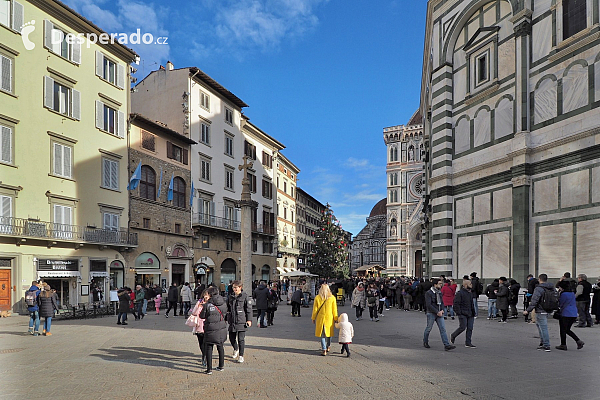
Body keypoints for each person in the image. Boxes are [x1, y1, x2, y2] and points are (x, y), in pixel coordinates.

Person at [199, 286, 227, 374]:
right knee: (220, 346)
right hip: (221, 327)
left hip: (210, 329)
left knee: (209, 348)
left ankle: (209, 369)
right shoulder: (223, 303)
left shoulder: (207, 305)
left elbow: (202, 316)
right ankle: (221, 366)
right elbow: (225, 313)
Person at [523, 274, 554, 351]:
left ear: (539, 279)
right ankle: (543, 342)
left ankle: (546, 344)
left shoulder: (539, 288)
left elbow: (534, 300)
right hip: (549, 309)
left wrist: (528, 310)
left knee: (543, 327)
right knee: (540, 325)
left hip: (541, 309)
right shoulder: (552, 288)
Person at [423, 278, 455, 351]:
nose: (441, 285)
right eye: (440, 284)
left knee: (443, 329)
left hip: (439, 312)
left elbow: (442, 302)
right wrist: (437, 311)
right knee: (428, 328)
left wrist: (442, 310)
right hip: (431, 313)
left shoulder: (439, 292)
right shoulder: (429, 293)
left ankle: (446, 345)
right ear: (435, 284)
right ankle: (425, 341)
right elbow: (429, 305)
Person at [227, 281, 252, 364]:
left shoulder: (245, 296)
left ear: (240, 287)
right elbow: (227, 308)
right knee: (231, 338)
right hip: (232, 320)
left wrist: (249, 320)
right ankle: (236, 348)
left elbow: (248, 309)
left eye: (236, 287)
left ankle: (241, 356)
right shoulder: (230, 296)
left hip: (241, 320)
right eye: (233, 287)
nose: (234, 289)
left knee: (241, 339)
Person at [555, 280, 584, 350]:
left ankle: (563, 344)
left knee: (563, 330)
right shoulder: (572, 293)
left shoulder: (563, 294)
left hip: (565, 313)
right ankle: (578, 341)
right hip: (573, 313)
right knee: (567, 329)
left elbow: (561, 304)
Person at [312, 284, 338, 356]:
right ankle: (328, 346)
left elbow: (315, 310)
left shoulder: (317, 298)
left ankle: (324, 349)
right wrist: (336, 318)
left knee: (322, 334)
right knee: (329, 333)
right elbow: (334, 309)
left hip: (321, 318)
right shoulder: (332, 298)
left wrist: (313, 318)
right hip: (329, 318)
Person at [450, 279, 476, 348]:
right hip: (463, 313)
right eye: (470, 284)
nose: (471, 285)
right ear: (465, 285)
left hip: (470, 313)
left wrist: (473, 312)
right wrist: (459, 313)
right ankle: (453, 335)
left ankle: (468, 342)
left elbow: (471, 304)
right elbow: (456, 303)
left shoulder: (470, 293)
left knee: (470, 328)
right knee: (462, 327)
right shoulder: (460, 293)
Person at [190, 290, 208, 366]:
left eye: (207, 295)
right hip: (199, 325)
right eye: (205, 295)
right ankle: (204, 354)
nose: (206, 296)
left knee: (206, 342)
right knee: (201, 342)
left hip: (207, 325)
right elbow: (194, 313)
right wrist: (198, 307)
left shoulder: (211, 303)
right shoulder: (199, 302)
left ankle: (205, 356)